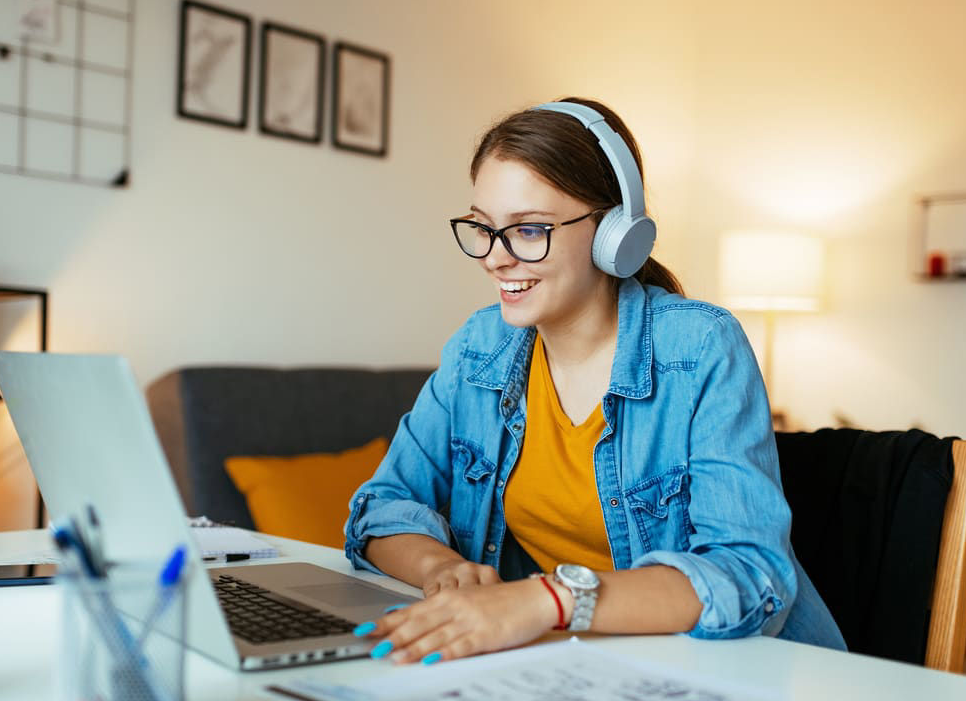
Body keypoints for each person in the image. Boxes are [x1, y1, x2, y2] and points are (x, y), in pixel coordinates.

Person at [344, 98, 846, 665]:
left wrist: (544, 601)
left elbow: (750, 576)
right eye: (483, 228)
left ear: (615, 232)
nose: (496, 259)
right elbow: (383, 506)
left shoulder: (700, 348)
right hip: (578, 662)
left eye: (529, 230)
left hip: (742, 671)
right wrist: (445, 571)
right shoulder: (478, 349)